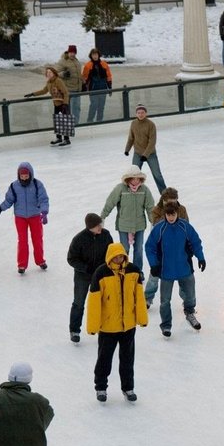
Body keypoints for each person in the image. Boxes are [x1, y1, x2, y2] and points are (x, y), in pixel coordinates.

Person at [87, 243, 148, 402]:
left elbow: (139, 297)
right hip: (108, 327)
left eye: (121, 256)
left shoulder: (133, 271)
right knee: (104, 359)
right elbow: (94, 301)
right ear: (110, 257)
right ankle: (101, 387)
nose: (119, 259)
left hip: (128, 325)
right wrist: (93, 326)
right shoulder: (101, 273)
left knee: (128, 359)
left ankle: (128, 387)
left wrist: (142, 318)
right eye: (115, 257)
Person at [144, 203, 205, 337]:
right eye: (168, 215)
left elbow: (195, 242)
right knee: (165, 300)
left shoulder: (184, 226)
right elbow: (150, 247)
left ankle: (190, 313)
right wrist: (154, 264)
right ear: (165, 214)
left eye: (173, 214)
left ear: (177, 213)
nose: (171, 217)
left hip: (184, 268)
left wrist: (201, 257)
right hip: (166, 271)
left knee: (190, 295)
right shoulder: (159, 228)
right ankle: (166, 325)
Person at [67, 213, 113, 344]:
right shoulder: (79, 239)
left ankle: (105, 327)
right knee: (79, 302)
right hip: (83, 276)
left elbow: (111, 252)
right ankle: (74, 330)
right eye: (98, 225)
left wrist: (106, 268)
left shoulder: (106, 235)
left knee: (104, 302)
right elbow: (71, 259)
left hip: (100, 275)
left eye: (101, 224)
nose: (100, 227)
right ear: (90, 227)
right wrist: (85, 268)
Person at [0, 162, 50, 274]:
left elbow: (43, 199)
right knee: (22, 241)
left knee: (37, 239)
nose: (24, 178)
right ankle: (22, 264)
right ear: (18, 175)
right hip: (20, 217)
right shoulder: (14, 186)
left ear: (30, 174)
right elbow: (9, 201)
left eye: (26, 176)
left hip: (35, 216)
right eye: (22, 176)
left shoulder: (37, 184)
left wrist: (44, 212)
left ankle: (40, 261)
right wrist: (0, 208)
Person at [100, 166, 155, 270]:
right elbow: (110, 203)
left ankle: (137, 270)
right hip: (124, 226)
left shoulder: (144, 190)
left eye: (138, 178)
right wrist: (102, 217)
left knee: (138, 250)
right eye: (133, 178)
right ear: (128, 178)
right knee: (124, 250)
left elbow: (150, 207)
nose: (135, 180)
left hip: (139, 225)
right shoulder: (120, 188)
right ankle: (124, 269)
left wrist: (154, 222)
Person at [143, 187, 189, 307]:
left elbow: (187, 227)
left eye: (173, 202)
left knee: (182, 277)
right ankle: (147, 298)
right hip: (161, 249)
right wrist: (169, 213)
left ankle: (187, 300)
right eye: (168, 202)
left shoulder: (182, 209)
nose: (171, 204)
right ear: (163, 200)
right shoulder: (156, 210)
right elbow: (157, 225)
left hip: (178, 249)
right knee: (154, 275)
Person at [24, 66, 71, 147]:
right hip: (56, 104)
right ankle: (59, 138)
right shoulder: (49, 82)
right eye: (47, 73)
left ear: (54, 73)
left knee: (63, 122)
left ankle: (67, 139)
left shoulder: (58, 81)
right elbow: (44, 91)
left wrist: (65, 104)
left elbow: (66, 92)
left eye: (50, 72)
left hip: (63, 104)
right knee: (57, 122)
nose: (48, 74)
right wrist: (32, 94)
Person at [125, 104, 167, 194]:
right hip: (137, 153)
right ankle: (133, 193)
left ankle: (164, 194)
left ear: (146, 113)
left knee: (157, 174)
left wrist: (145, 155)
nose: (140, 114)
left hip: (150, 154)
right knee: (134, 174)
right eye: (138, 113)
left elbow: (152, 142)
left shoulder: (151, 124)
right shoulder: (133, 123)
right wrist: (127, 149)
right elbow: (131, 138)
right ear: (136, 114)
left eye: (142, 112)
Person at [81, 48, 113, 123]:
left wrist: (110, 87)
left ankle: (99, 121)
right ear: (91, 56)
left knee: (101, 106)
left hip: (103, 88)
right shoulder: (88, 65)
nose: (95, 56)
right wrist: (84, 87)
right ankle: (90, 120)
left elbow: (109, 76)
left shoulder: (104, 64)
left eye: (96, 54)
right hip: (93, 89)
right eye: (93, 55)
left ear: (98, 55)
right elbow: (84, 78)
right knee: (94, 105)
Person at [57, 44, 83, 123]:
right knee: (68, 109)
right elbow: (56, 73)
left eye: (74, 52)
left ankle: (76, 124)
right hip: (68, 90)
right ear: (68, 52)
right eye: (70, 52)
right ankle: (69, 124)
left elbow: (78, 74)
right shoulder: (62, 61)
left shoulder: (76, 61)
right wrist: (63, 74)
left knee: (77, 108)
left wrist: (83, 83)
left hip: (77, 90)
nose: (72, 54)